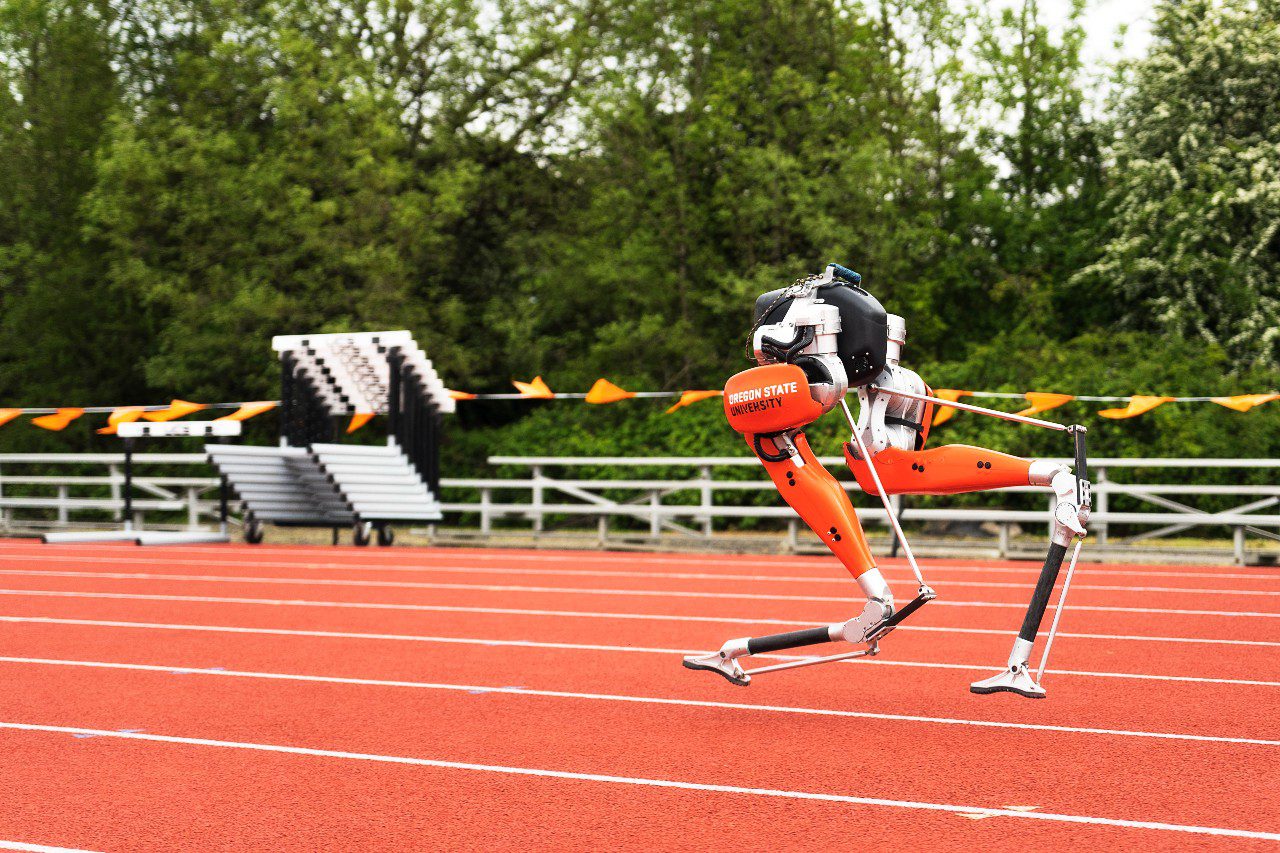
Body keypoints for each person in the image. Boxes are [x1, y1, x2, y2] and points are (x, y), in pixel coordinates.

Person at [683, 265, 1089, 690]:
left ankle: (876, 594)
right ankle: (1048, 473)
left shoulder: (780, 352)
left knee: (800, 462)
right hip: (894, 379)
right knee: (886, 471)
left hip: (829, 379)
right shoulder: (851, 337)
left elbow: (801, 469)